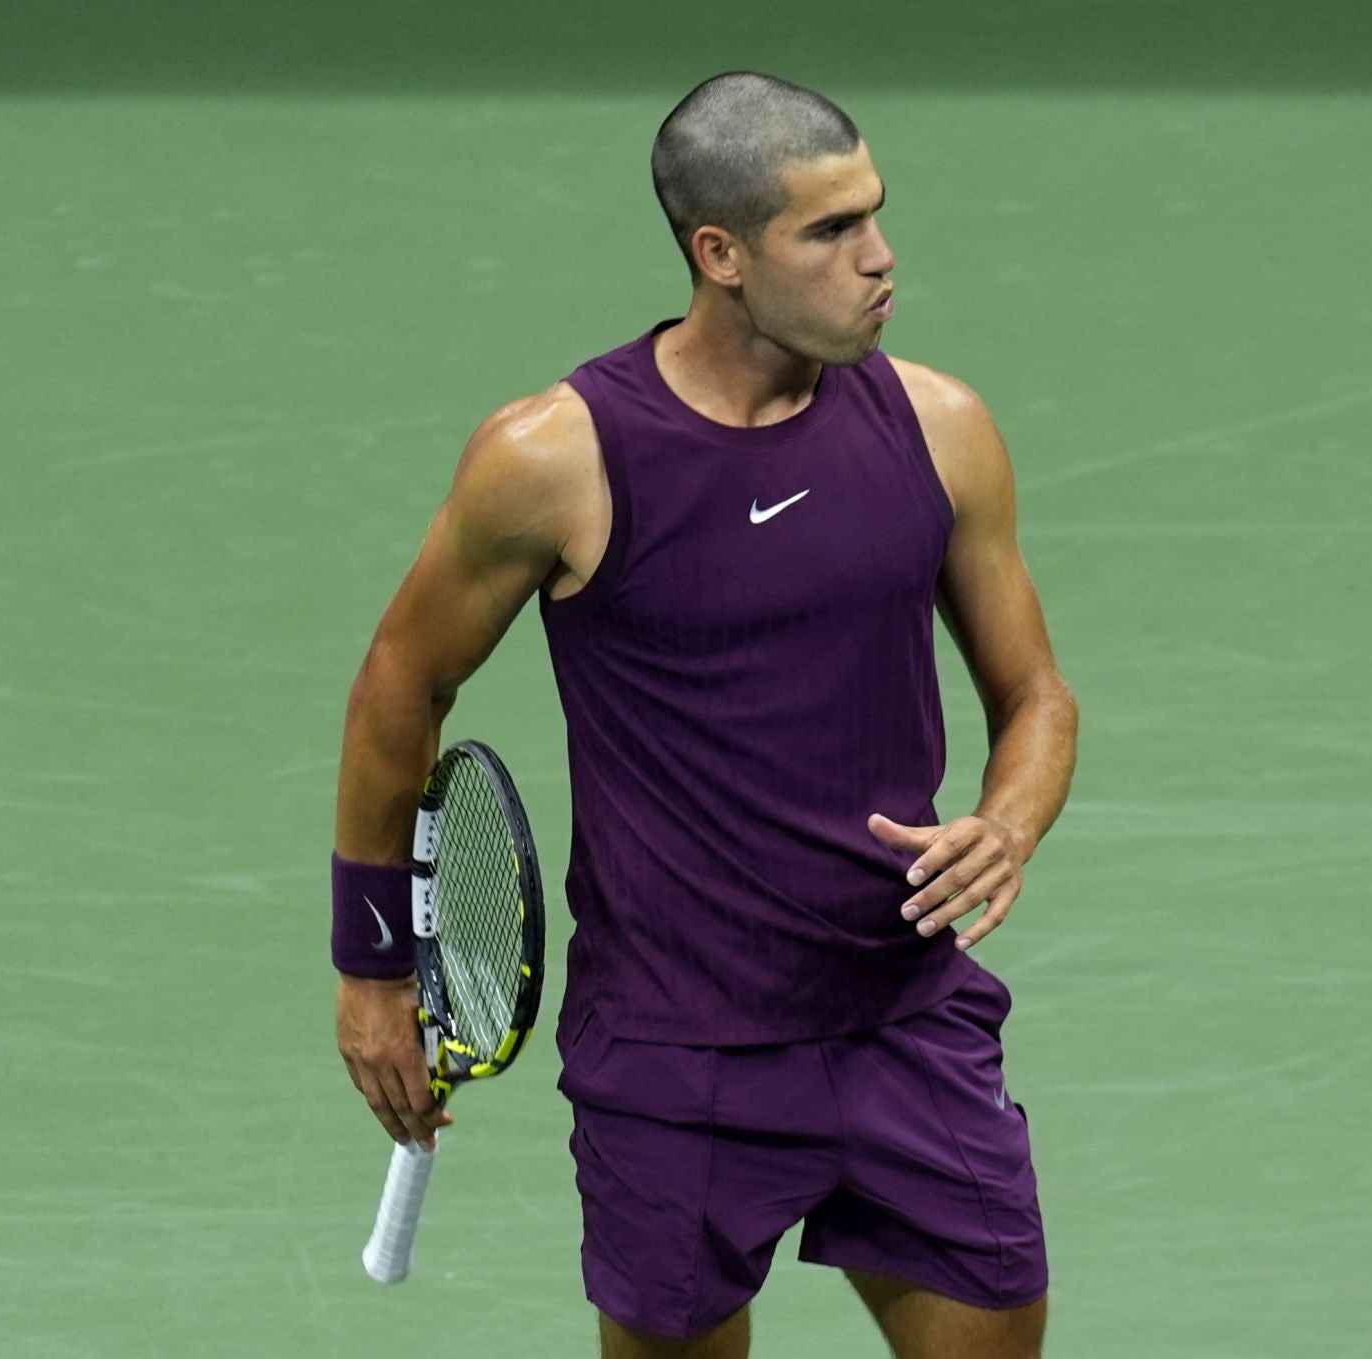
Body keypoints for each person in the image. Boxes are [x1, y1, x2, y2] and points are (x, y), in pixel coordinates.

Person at [331, 71, 1078, 1359]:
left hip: (905, 1024)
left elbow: (1037, 696)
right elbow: (403, 680)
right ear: (719, 253)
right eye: (830, 232)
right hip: (677, 1059)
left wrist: (1007, 824)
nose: (881, 259)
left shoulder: (941, 430)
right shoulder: (554, 459)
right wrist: (371, 966)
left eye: (876, 215)